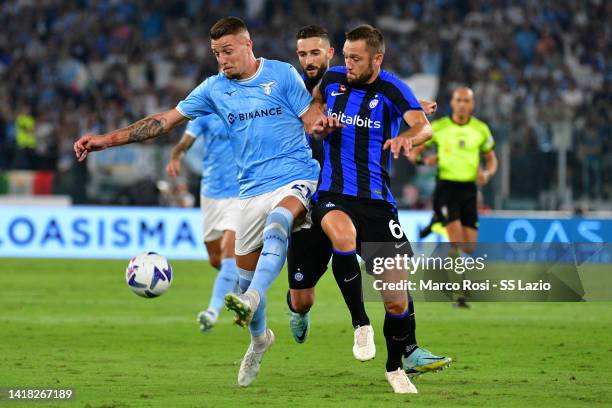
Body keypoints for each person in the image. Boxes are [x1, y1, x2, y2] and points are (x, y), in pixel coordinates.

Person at [73, 16, 341, 387]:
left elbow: (311, 117)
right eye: (217, 53)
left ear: (248, 46)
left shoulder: (281, 75)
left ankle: (251, 296)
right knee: (241, 272)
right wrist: (105, 139)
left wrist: (322, 123)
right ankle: (260, 339)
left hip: (295, 176)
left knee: (280, 222)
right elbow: (164, 121)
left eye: (228, 51)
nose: (222, 60)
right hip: (248, 192)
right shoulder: (214, 88)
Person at [288, 26, 444, 378]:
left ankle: (411, 352)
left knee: (395, 295)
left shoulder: (392, 88)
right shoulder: (332, 79)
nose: (348, 64)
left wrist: (408, 138)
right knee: (310, 284)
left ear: (377, 58)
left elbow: (424, 127)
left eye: (356, 58)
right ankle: (360, 325)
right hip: (332, 193)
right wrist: (319, 123)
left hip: (376, 202)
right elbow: (315, 102)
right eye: (345, 56)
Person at [410, 86, 498, 308]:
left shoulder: (481, 130)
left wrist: (487, 173)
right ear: (452, 103)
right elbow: (413, 152)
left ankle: (435, 222)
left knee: (469, 246)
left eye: (466, 101)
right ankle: (459, 293)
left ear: (472, 104)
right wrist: (424, 161)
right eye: (458, 100)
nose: (462, 104)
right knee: (457, 241)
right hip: (446, 189)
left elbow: (491, 159)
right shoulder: (438, 127)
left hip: (469, 191)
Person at [165, 114, 240, 332]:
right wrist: (176, 155)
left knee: (229, 252)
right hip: (211, 195)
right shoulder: (205, 111)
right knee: (215, 258)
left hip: (240, 193)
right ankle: (237, 287)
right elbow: (185, 143)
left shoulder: (248, 106)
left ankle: (212, 312)